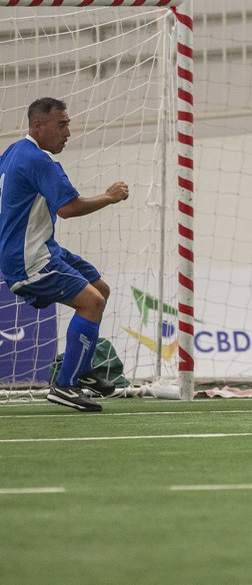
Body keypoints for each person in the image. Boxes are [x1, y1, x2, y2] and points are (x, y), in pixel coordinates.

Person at [0, 97, 130, 412]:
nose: (68, 133)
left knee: (100, 290)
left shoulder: (13, 152)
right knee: (92, 302)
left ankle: (82, 370)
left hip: (43, 247)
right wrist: (109, 197)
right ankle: (66, 385)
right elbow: (68, 209)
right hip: (30, 259)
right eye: (62, 125)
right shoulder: (38, 161)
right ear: (38, 125)